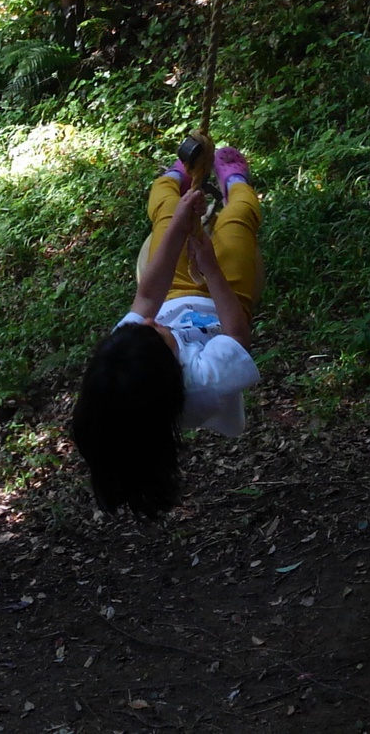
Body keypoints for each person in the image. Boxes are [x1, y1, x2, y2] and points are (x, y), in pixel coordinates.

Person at [71, 144, 263, 516]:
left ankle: (175, 175)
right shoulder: (204, 384)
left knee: (163, 213)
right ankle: (237, 182)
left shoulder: (123, 360)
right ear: (172, 366)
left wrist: (177, 225)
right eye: (158, 331)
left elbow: (147, 296)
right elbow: (237, 332)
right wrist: (209, 267)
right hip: (223, 304)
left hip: (173, 292)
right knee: (239, 220)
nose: (148, 322)